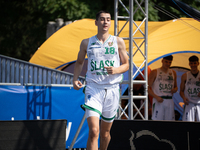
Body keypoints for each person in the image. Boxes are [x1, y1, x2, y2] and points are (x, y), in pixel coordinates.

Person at [73, 10, 129, 150]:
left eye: (108, 19)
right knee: (94, 131)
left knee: (105, 134)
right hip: (93, 88)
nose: (105, 22)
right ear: (96, 22)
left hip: (112, 90)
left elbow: (126, 65)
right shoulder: (87, 42)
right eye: (103, 19)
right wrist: (75, 79)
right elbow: (79, 62)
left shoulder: (118, 41)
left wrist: (116, 70)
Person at [148, 55, 178, 120]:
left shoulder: (173, 72)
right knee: (157, 121)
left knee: (169, 121)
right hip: (159, 99)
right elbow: (147, 88)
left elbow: (176, 87)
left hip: (169, 100)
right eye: (166, 62)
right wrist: (156, 97)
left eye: (170, 62)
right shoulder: (155, 72)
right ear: (162, 61)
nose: (168, 64)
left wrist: (174, 89)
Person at [180, 55, 200, 121]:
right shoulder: (185, 76)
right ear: (189, 64)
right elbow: (181, 91)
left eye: (195, 63)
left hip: (199, 103)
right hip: (189, 102)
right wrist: (183, 98)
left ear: (198, 63)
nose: (193, 65)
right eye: (191, 63)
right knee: (188, 123)